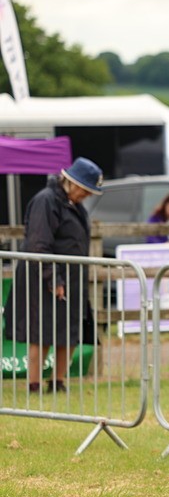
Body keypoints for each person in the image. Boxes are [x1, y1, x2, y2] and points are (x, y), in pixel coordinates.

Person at [9, 157, 103, 393]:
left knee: (69, 330)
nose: (87, 196)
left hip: (72, 277)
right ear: (72, 183)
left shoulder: (74, 206)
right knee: (42, 331)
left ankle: (58, 381)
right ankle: (34, 383)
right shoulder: (46, 201)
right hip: (45, 276)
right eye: (86, 190)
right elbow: (39, 243)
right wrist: (54, 279)